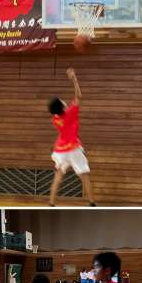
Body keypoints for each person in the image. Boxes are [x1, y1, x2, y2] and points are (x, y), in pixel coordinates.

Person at [47, 68, 95, 207]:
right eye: (62, 101)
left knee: (58, 176)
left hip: (61, 150)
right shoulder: (71, 113)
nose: (63, 100)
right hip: (73, 148)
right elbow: (78, 96)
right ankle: (92, 202)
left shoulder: (55, 119)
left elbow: (58, 111)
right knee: (84, 176)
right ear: (62, 106)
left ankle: (51, 202)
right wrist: (74, 79)